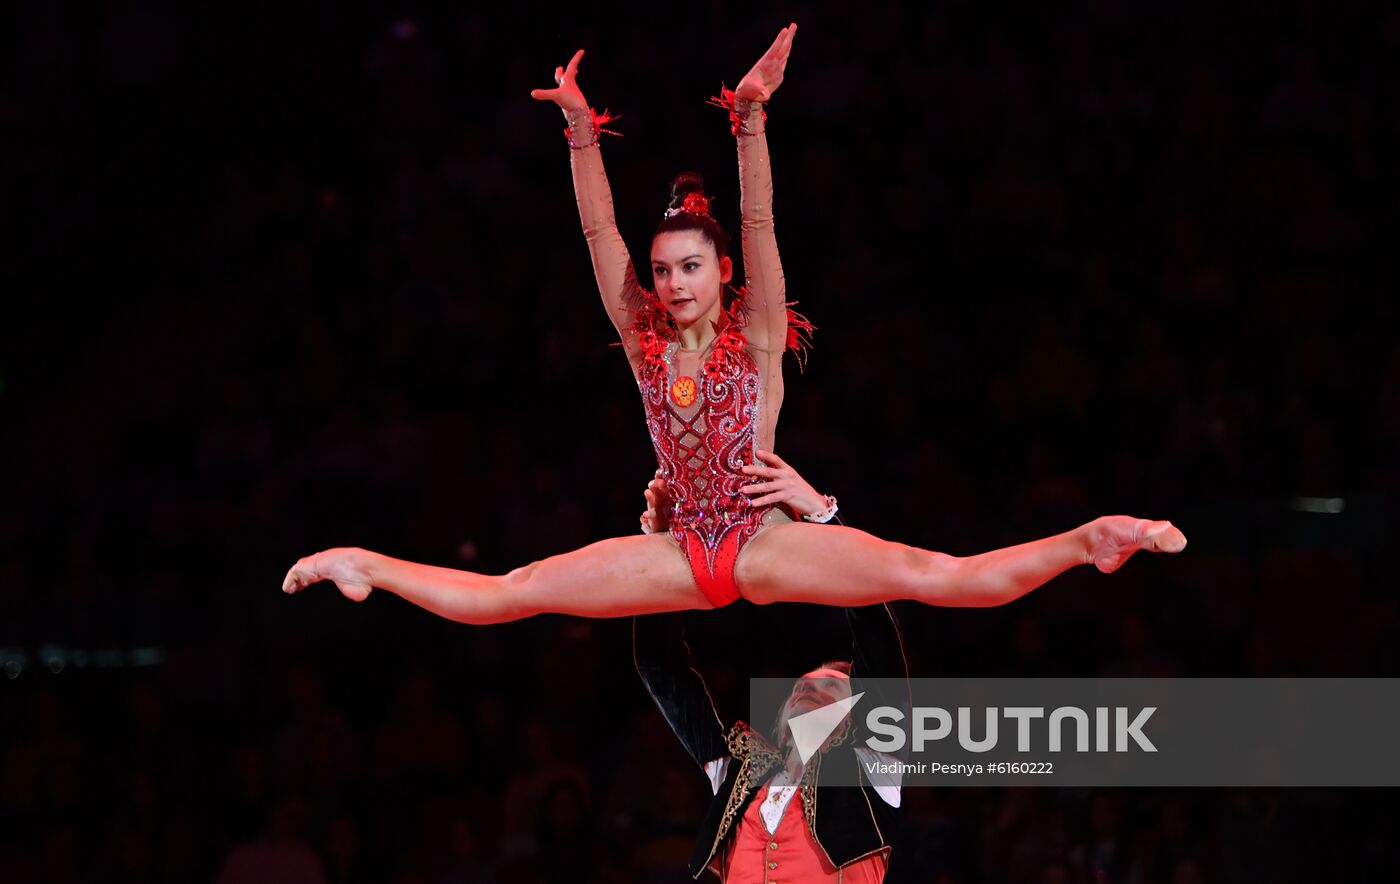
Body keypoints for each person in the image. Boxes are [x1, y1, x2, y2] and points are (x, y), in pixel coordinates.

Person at [281, 23, 1186, 622]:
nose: (671, 284)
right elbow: (599, 232)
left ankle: (1089, 540)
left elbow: (759, 224)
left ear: (720, 276)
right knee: (518, 590)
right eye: (663, 270)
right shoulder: (642, 343)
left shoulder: (753, 338)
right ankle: (367, 563)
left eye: (688, 269)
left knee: (928, 573)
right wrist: (581, 134)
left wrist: (749, 119)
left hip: (760, 546)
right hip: (678, 556)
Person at [634, 459, 906, 881]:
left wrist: (822, 515)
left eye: (833, 694)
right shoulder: (738, 776)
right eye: (803, 690)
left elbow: (876, 635)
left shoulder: (874, 770)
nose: (810, 695)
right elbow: (661, 666)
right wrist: (665, 549)